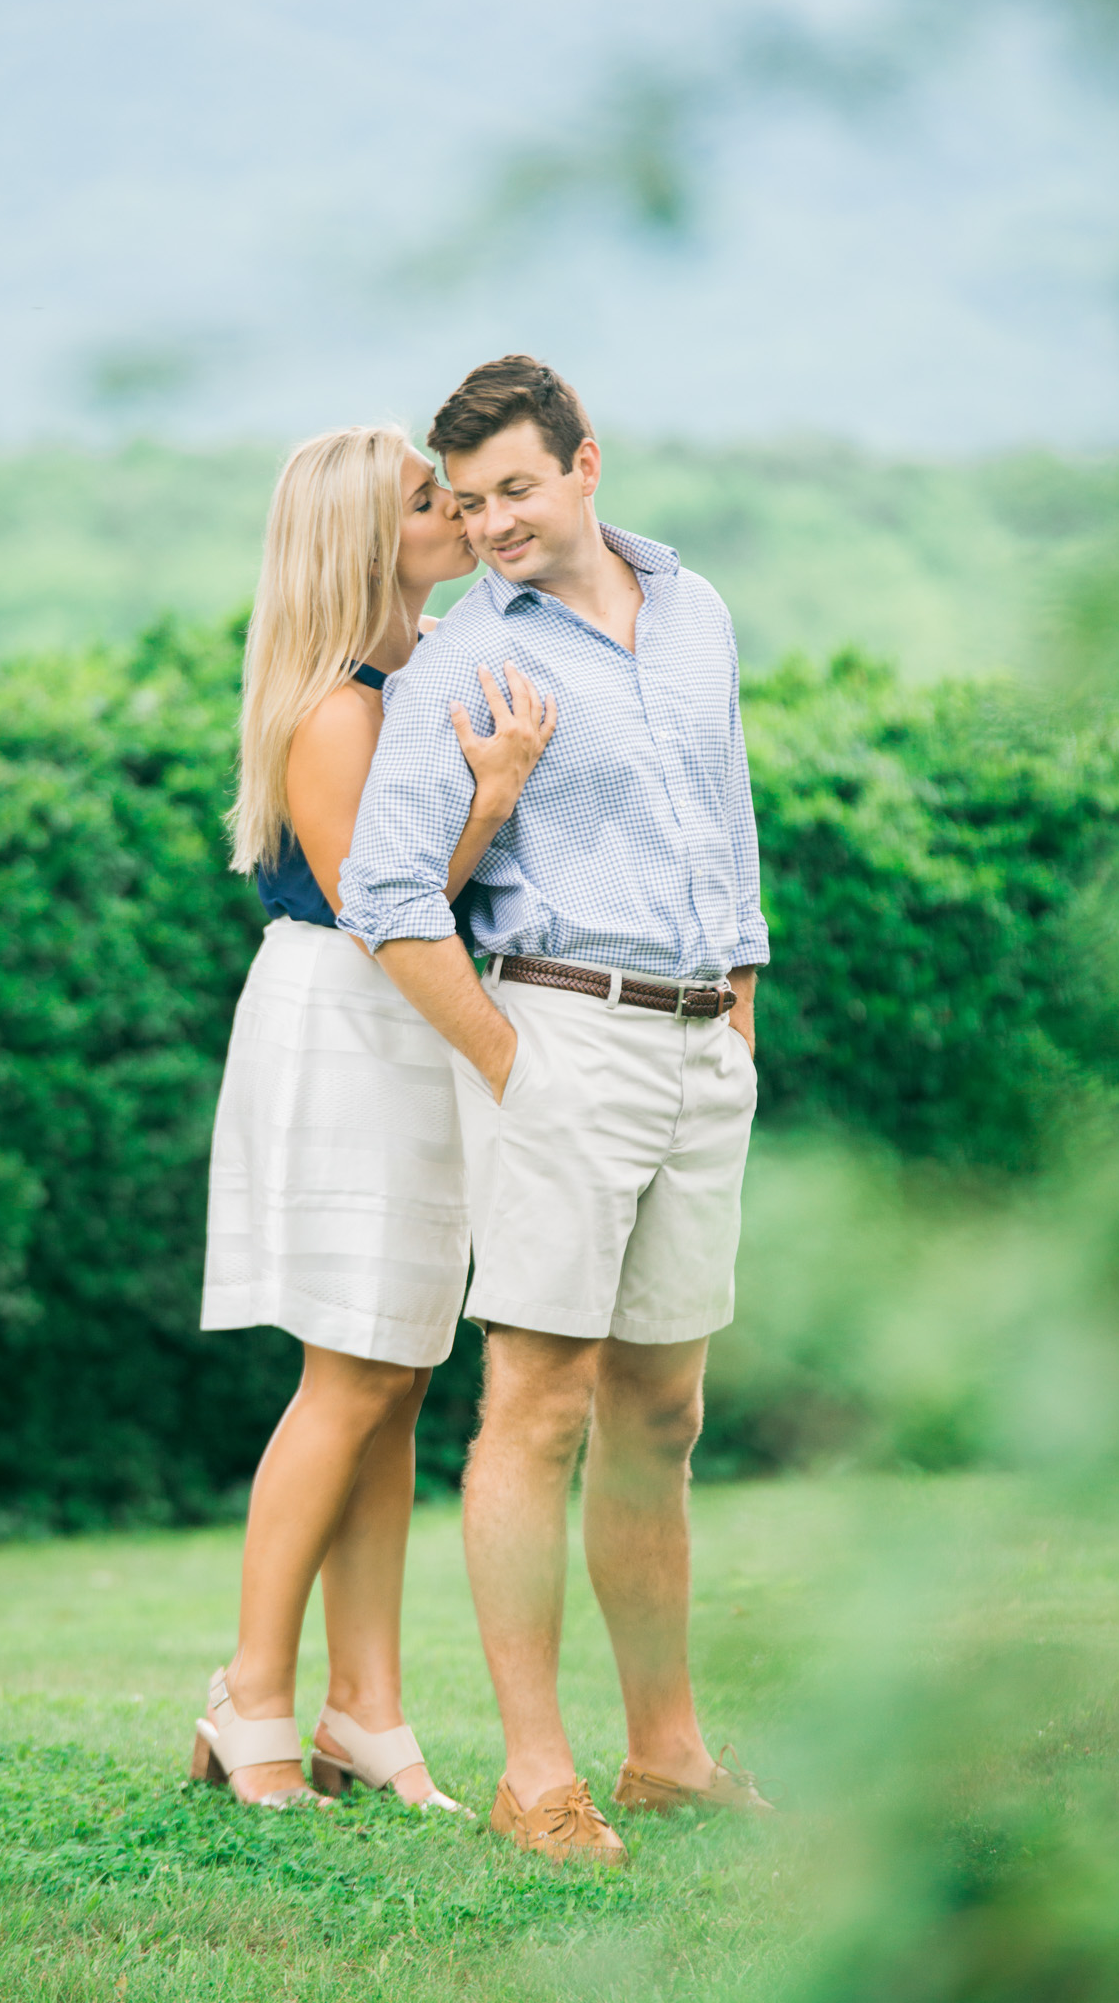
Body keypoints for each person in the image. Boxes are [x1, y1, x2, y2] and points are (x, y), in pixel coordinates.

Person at [338, 357, 774, 1863]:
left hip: (700, 1046)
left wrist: (742, 1000)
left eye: (515, 489)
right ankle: (537, 1775)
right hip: (561, 1033)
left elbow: (727, 807)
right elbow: (384, 898)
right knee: (536, 1408)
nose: (494, 523)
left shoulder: (697, 609)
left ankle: (667, 1754)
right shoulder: (465, 655)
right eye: (467, 504)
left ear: (585, 465)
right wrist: (516, 1066)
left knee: (664, 1412)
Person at [192, 424, 556, 1812]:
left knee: (396, 1371)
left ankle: (368, 1709)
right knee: (348, 1376)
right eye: (426, 500)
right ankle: (254, 1695)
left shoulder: (407, 677)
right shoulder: (338, 707)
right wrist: (498, 793)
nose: (456, 510)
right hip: (348, 1028)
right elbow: (383, 910)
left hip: (401, 1028)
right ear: (365, 541)